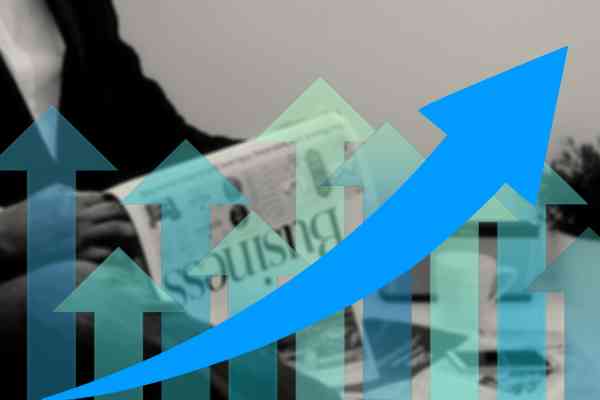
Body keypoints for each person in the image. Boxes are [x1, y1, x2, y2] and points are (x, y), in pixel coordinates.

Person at [0, 1, 340, 399]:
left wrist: (286, 162)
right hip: (39, 281)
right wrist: (8, 234)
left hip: (99, 259)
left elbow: (156, 138)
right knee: (70, 292)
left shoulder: (76, 8)